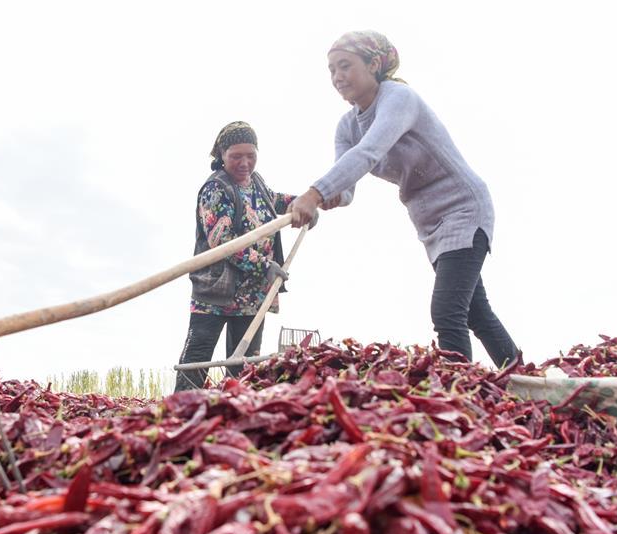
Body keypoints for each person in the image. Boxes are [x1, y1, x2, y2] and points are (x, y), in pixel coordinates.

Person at [290, 31, 518, 367]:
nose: (337, 77)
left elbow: (369, 152)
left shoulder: (398, 97)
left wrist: (315, 192)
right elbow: (347, 186)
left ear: (373, 65)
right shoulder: (346, 127)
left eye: (345, 66)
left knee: (446, 312)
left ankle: (460, 396)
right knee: (475, 312)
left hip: (463, 209)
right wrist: (330, 196)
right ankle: (526, 379)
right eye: (331, 70)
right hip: (429, 223)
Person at [174, 122, 296, 391]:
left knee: (244, 365)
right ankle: (179, 411)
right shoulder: (215, 189)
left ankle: (237, 417)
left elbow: (272, 199)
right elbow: (223, 241)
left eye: (251, 155)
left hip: (252, 295)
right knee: (197, 357)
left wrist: (297, 204)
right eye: (236, 156)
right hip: (216, 291)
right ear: (221, 155)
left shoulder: (256, 182)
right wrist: (264, 265)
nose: (245, 163)